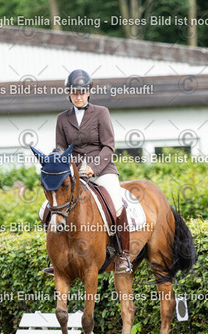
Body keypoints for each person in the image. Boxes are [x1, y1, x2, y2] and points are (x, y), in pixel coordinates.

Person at [46, 69, 132, 274]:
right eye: (74, 92)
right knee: (49, 208)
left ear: (89, 92)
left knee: (117, 204)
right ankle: (53, 256)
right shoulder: (62, 118)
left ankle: (123, 255)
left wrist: (94, 166)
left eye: (82, 92)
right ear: (69, 93)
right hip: (74, 173)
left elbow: (109, 146)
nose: (78, 96)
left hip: (102, 169)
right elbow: (61, 150)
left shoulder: (101, 112)